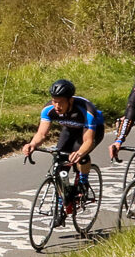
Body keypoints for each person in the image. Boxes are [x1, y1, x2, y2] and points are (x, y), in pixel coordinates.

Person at [22, 78, 104, 224]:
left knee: (81, 156)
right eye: (54, 101)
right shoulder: (49, 109)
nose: (57, 106)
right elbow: (41, 134)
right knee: (59, 161)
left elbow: (88, 141)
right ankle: (62, 205)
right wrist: (32, 144)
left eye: (61, 102)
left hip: (91, 131)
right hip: (69, 129)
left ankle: (83, 182)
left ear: (70, 100)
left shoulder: (86, 111)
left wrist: (79, 153)